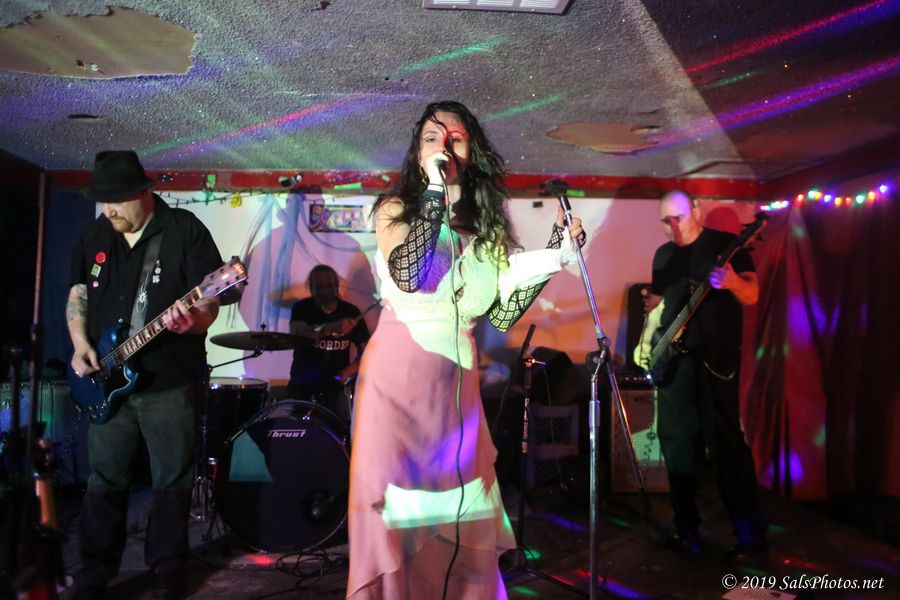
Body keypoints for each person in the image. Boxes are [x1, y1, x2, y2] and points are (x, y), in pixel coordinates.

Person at [346, 101, 585, 599]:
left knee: (464, 514)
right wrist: (434, 192)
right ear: (418, 153)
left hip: (456, 390)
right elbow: (409, 274)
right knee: (400, 518)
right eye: (431, 139)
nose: (444, 147)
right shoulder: (394, 210)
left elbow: (503, 312)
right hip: (397, 384)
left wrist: (557, 252)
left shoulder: (485, 229)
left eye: (455, 138)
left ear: (471, 151)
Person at [66, 151, 224, 599]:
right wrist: (79, 343)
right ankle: (94, 574)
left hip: (169, 382)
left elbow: (211, 300)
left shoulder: (184, 230)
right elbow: (78, 292)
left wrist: (193, 322)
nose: (108, 210)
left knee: (171, 481)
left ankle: (168, 571)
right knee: (104, 480)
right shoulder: (97, 233)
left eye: (116, 201)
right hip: (105, 379)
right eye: (102, 201)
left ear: (143, 192)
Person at [642, 189, 766, 560]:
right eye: (666, 221)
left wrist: (731, 282)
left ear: (696, 210)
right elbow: (663, 302)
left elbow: (752, 294)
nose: (674, 226)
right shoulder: (663, 255)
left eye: (679, 217)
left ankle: (750, 538)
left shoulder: (727, 246)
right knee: (675, 444)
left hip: (715, 362)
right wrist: (654, 306)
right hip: (674, 362)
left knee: (725, 445)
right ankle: (687, 531)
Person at [287, 264, 370, 420]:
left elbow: (367, 352)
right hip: (302, 387)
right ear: (311, 288)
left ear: (336, 287)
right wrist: (331, 327)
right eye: (319, 286)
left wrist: (348, 371)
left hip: (336, 390)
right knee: (297, 431)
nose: (325, 291)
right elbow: (297, 332)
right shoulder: (302, 308)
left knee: (338, 430)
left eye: (329, 286)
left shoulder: (350, 311)